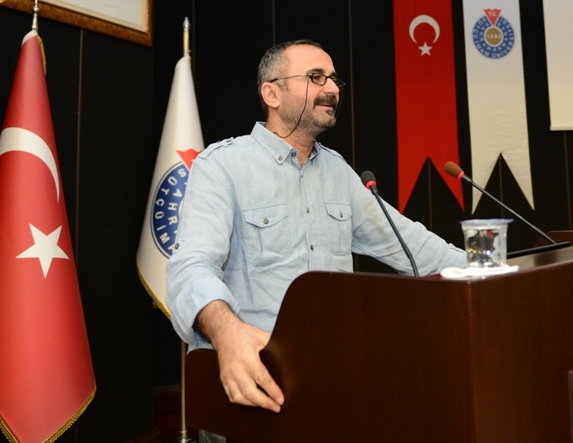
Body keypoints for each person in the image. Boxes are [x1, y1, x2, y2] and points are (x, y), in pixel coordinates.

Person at [165, 39, 466, 416]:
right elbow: (190, 268)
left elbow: (413, 246)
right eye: (316, 77)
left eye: (334, 79)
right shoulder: (222, 165)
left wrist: (493, 266)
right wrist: (227, 332)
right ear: (272, 94)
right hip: (256, 382)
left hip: (333, 379)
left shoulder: (338, 171)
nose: (332, 89)